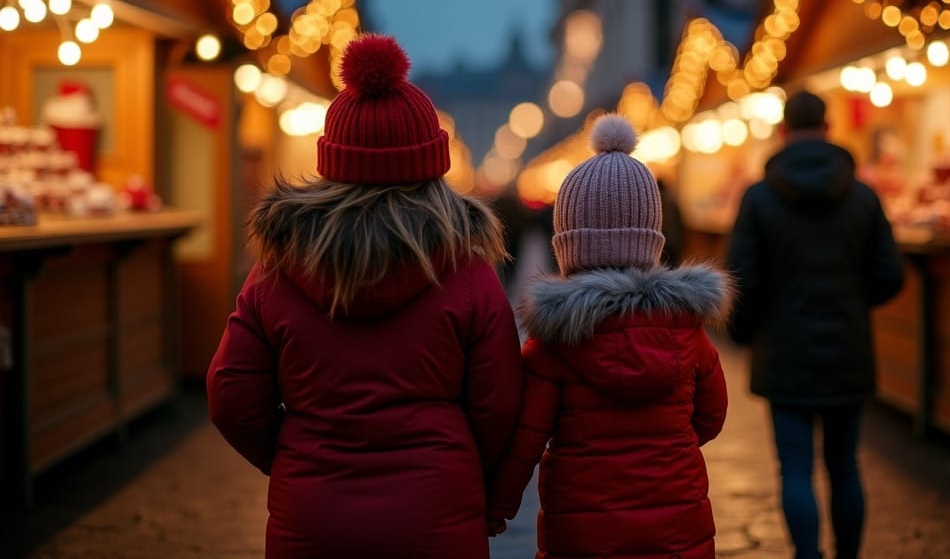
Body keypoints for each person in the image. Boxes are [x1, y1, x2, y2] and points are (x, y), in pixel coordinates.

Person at [207, 33, 523, 559]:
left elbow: (231, 395)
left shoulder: (278, 268)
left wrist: (291, 454)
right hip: (437, 512)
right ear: (433, 164)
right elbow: (499, 405)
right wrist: (466, 470)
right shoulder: (468, 271)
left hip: (311, 516)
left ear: (334, 159)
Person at [487, 113, 733, 559]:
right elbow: (712, 415)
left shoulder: (555, 343)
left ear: (569, 243)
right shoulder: (686, 329)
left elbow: (525, 438)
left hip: (583, 533)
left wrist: (499, 506)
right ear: (652, 240)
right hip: (677, 529)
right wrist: (666, 445)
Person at [725, 89, 905, 559]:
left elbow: (740, 279)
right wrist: (852, 302)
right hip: (848, 347)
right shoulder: (863, 196)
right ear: (828, 128)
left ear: (783, 131)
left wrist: (747, 333)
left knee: (795, 468)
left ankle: (807, 556)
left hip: (783, 351)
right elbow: (890, 274)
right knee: (845, 466)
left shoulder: (759, 199)